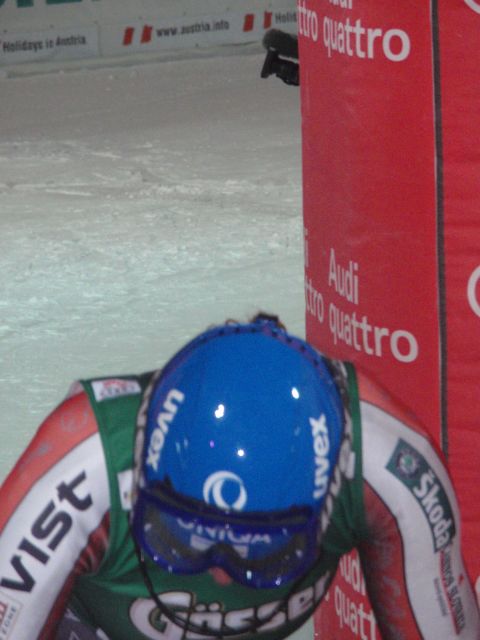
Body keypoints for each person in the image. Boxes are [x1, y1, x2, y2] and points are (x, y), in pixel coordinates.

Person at [0, 314, 478, 640]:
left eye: (265, 553)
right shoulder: (80, 468)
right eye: (180, 539)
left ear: (328, 497)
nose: (220, 576)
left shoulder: (388, 467)